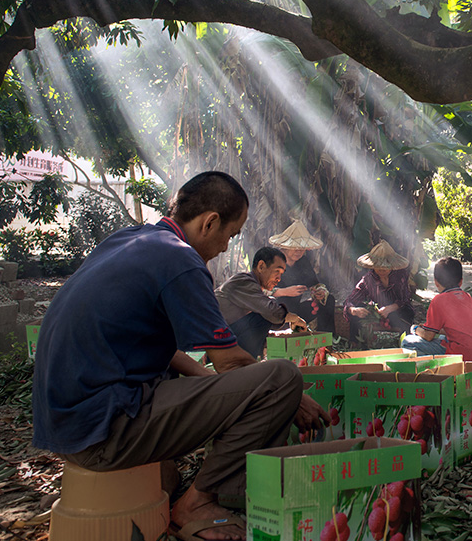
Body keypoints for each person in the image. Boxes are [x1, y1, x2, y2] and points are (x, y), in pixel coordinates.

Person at [32, 172, 330, 541]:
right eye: (230, 235)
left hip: (64, 425)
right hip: (103, 428)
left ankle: (188, 490)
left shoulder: (130, 240)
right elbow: (232, 363)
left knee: (167, 476)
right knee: (282, 378)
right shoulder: (181, 260)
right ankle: (197, 504)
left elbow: (171, 353)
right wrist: (293, 397)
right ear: (210, 222)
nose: (225, 247)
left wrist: (224, 391)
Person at [215, 247, 309, 359]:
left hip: (223, 338)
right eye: (277, 271)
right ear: (261, 266)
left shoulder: (255, 290)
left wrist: (286, 332)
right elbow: (269, 311)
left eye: (281, 273)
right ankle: (245, 363)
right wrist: (293, 318)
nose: (279, 278)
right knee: (264, 313)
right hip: (214, 342)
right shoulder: (243, 281)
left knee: (267, 309)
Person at [401, 257, 472, 361]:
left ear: (436, 282)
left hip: (463, 354)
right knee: (442, 338)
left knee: (407, 342)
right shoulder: (466, 296)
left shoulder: (439, 300)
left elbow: (428, 336)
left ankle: (436, 370)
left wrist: (415, 329)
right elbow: (455, 329)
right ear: (461, 281)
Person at [269, 220, 336, 335]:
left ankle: (326, 340)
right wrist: (285, 292)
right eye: (294, 247)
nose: (298, 251)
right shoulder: (271, 261)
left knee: (328, 300)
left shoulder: (303, 262)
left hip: (296, 310)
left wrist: (320, 291)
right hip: (276, 310)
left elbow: (314, 283)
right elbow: (260, 292)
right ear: (284, 247)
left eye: (302, 248)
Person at [342, 240, 415, 346]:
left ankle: (404, 344)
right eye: (378, 266)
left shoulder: (400, 276)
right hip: (378, 313)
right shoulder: (368, 279)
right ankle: (355, 346)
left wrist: (390, 308)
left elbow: (405, 299)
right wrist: (354, 310)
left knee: (405, 314)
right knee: (356, 315)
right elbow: (350, 300)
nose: (381, 269)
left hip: (398, 311)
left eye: (385, 266)